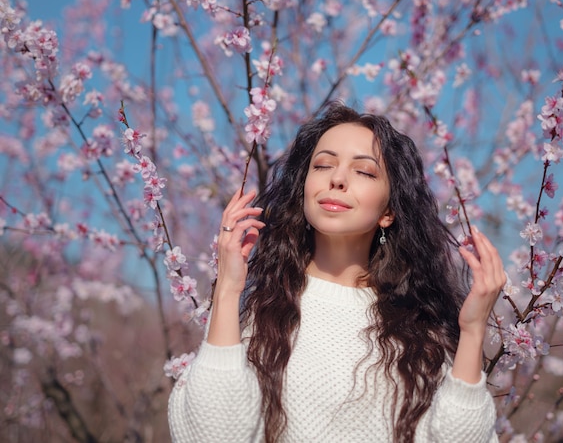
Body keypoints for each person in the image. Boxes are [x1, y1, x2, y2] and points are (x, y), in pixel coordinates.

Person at [168, 103, 503, 442]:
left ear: (388, 211)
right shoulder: (266, 313)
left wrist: (472, 330)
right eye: (323, 165)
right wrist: (227, 289)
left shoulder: (420, 335)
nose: (337, 179)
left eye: (365, 172)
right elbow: (211, 434)